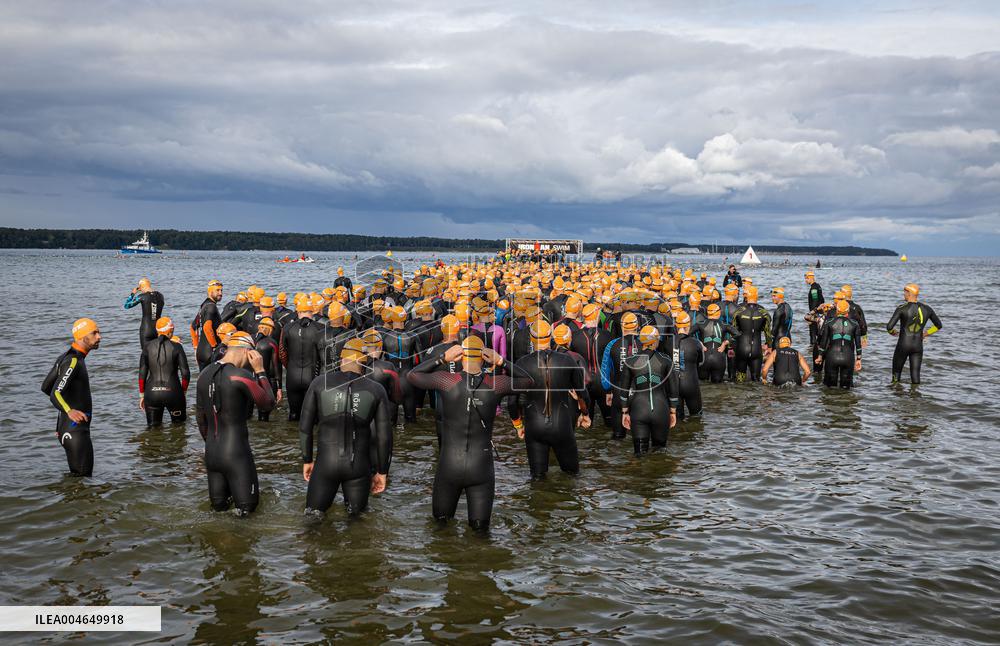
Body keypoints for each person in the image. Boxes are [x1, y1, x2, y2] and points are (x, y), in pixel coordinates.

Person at [406, 336, 532, 530]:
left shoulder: (448, 381)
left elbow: (412, 376)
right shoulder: (495, 384)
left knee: (440, 527)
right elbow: (528, 381)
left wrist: (442, 358)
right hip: (481, 468)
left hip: (450, 465)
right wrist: (501, 361)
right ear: (483, 358)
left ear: (460, 357)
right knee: (481, 532)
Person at [298, 339, 393, 516]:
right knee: (357, 522)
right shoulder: (376, 390)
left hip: (325, 465)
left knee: (312, 519)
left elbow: (305, 427)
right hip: (358, 467)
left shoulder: (319, 383)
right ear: (364, 363)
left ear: (341, 360)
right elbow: (384, 437)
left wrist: (307, 459)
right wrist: (382, 471)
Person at [195, 331, 275, 516]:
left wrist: (212, 444)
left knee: (219, 511)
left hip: (212, 454)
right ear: (248, 352)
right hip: (236, 454)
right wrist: (261, 371)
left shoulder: (204, 374)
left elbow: (201, 419)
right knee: (248, 512)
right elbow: (267, 404)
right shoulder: (240, 376)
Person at [510, 321, 590, 479]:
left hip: (535, 426)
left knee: (537, 479)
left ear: (532, 339)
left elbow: (512, 402)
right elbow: (582, 393)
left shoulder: (521, 364)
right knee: (572, 476)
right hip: (562, 425)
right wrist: (585, 413)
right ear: (551, 337)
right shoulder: (567, 361)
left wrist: (518, 425)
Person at [42, 318, 101, 477]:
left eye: (98, 332)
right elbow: (55, 393)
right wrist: (69, 411)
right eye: (94, 333)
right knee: (83, 483)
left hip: (68, 428)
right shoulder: (74, 361)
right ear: (82, 337)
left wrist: (61, 423)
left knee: (77, 484)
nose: (99, 337)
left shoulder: (65, 357)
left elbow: (46, 387)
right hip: (76, 431)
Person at [618, 326, 678, 455]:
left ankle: (640, 473)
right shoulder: (666, 360)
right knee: (660, 453)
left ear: (641, 341)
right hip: (660, 410)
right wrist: (673, 411)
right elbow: (673, 388)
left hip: (639, 410)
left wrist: (624, 412)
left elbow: (623, 389)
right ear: (655, 341)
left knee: (639, 454)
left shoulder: (630, 361)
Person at [886, 283, 942, 384]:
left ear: (909, 293)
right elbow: (938, 325)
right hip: (917, 346)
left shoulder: (902, 308)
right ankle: (915, 397)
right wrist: (925, 334)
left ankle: (895, 396)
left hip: (903, 344)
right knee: (916, 376)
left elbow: (889, 327)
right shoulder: (927, 308)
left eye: (905, 292)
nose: (904, 294)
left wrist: (893, 333)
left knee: (896, 375)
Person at [138, 317, 190, 425]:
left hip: (151, 394)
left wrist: (142, 395)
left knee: (153, 430)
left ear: (157, 331)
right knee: (179, 430)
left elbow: (142, 374)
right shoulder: (177, 347)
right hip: (173, 393)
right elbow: (185, 374)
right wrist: (183, 392)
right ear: (171, 331)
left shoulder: (147, 347)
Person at [279, 296, 324, 421]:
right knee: (313, 416)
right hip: (312, 376)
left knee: (293, 414)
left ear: (297, 311)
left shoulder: (287, 328)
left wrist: (289, 366)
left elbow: (282, 353)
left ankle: (292, 439)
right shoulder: (320, 328)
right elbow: (323, 355)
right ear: (313, 311)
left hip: (292, 375)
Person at [600, 312, 642, 439]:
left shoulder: (612, 344)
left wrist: (607, 390)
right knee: (640, 437)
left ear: (622, 326)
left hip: (619, 392)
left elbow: (605, 370)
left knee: (618, 437)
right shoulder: (645, 344)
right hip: (640, 394)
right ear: (637, 326)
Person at [816, 299, 862, 388]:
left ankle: (831, 401)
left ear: (837, 311)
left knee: (830, 387)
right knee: (846, 387)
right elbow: (858, 343)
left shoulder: (829, 323)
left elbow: (823, 341)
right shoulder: (855, 324)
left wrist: (820, 356)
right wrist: (859, 359)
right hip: (848, 357)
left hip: (832, 356)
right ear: (848, 311)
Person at [732, 286, 772, 382]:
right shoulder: (764, 313)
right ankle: (756, 396)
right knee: (756, 379)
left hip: (741, 349)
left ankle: (740, 395)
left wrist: (730, 347)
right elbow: (767, 333)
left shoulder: (738, 312)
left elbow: (733, 331)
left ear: (746, 296)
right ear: (757, 296)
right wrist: (769, 347)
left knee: (740, 379)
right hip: (756, 350)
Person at [673, 311, 705, 419]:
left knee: (677, 419)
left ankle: (680, 434)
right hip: (691, 383)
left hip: (674, 385)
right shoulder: (696, 343)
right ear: (688, 325)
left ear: (676, 325)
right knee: (696, 417)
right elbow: (701, 362)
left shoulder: (668, 342)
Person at [697, 303, 739, 383]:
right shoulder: (724, 324)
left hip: (704, 357)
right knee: (718, 385)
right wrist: (725, 343)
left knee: (703, 385)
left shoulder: (700, 324)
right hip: (719, 358)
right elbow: (737, 334)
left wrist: (700, 343)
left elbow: (687, 334)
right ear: (719, 313)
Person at [253, 317, 283, 421]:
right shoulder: (271, 343)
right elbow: (276, 366)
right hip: (265, 381)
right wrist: (279, 388)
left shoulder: (250, 339)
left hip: (249, 381)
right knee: (264, 415)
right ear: (270, 329)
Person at [123, 277, 165, 350]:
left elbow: (127, 305)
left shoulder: (142, 297)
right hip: (158, 330)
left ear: (141, 287)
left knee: (145, 354)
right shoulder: (161, 296)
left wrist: (133, 293)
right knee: (157, 353)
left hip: (146, 330)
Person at [192, 280, 223, 369]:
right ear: (210, 291)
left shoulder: (204, 305)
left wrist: (195, 348)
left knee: (203, 381)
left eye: (221, 290)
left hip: (201, 352)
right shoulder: (211, 307)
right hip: (210, 353)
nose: (220, 293)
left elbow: (193, 327)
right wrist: (215, 348)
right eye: (217, 290)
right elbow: (207, 327)